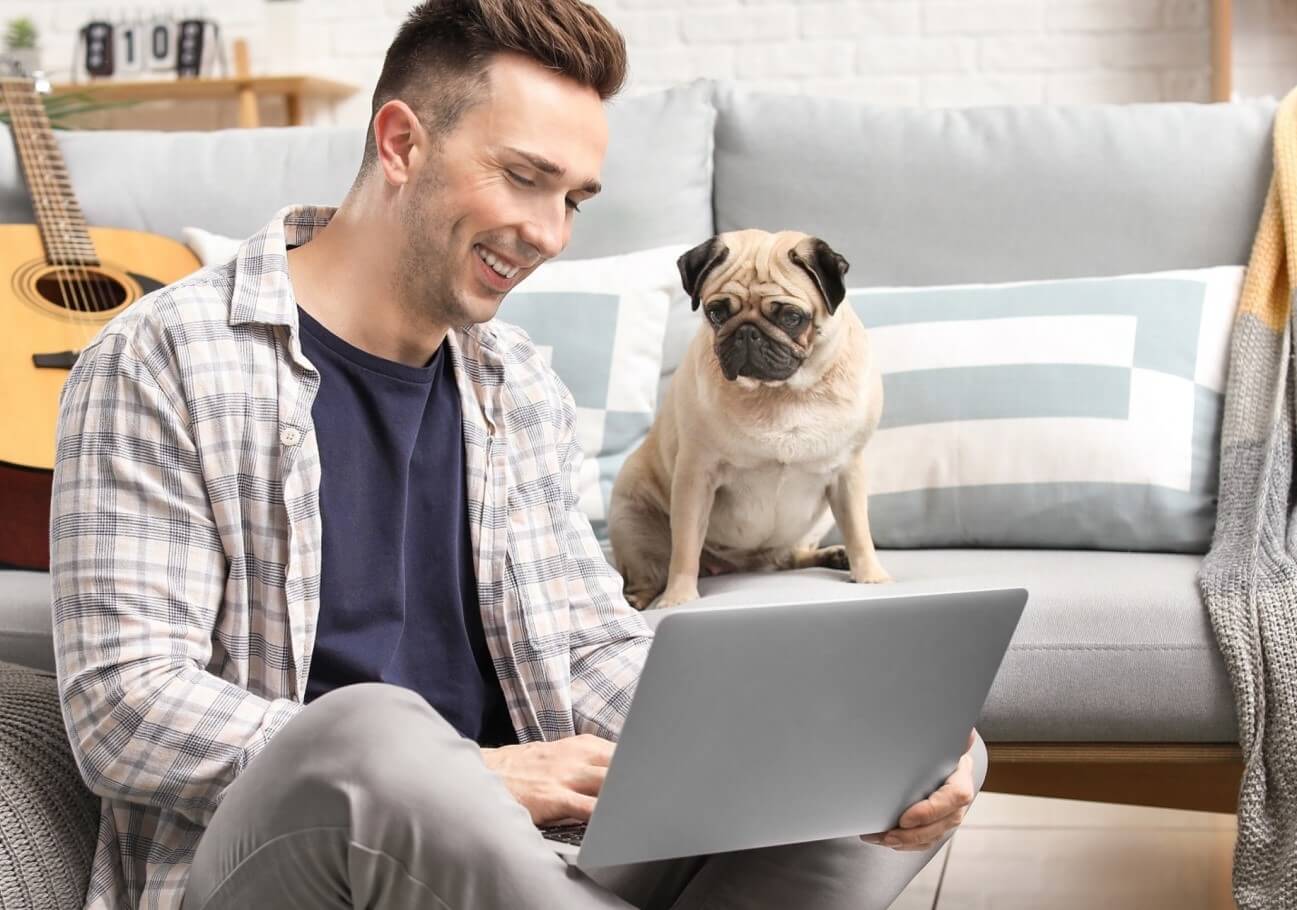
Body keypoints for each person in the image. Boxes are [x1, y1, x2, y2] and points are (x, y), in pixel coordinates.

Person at [49, 2, 986, 908]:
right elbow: (124, 708)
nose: (549, 235)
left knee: (916, 744)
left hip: (534, 858)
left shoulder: (519, 385)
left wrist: (831, 732)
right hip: (289, 864)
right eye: (524, 178)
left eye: (573, 199)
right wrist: (466, 775)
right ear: (402, 143)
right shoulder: (162, 357)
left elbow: (589, 649)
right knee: (373, 729)